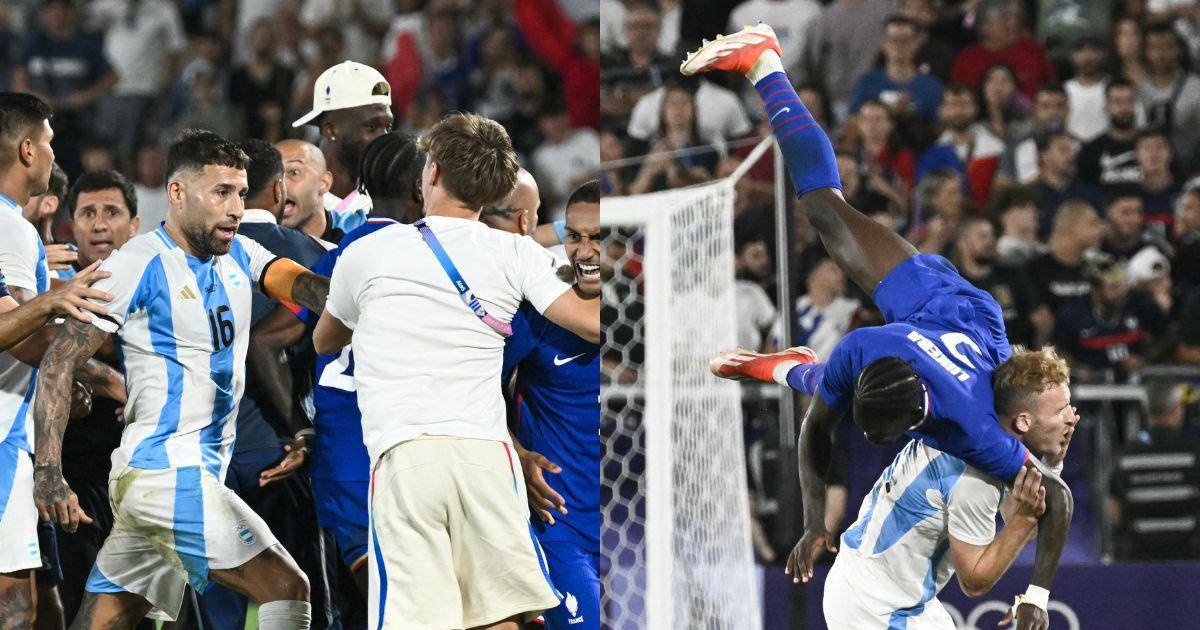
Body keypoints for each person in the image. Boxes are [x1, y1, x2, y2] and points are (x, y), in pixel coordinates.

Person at [683, 25, 1072, 630]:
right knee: (825, 208)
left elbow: (1060, 500)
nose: (885, 441)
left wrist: (1037, 596)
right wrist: (814, 521)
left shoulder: (973, 428)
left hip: (960, 310)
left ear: (920, 418)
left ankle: (788, 368)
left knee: (826, 372)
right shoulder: (864, 347)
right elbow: (818, 428)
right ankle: (764, 64)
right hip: (931, 313)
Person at [30, 130, 334, 628]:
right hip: (170, 477)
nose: (235, 208)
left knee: (102, 621)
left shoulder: (239, 253)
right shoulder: (138, 263)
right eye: (221, 192)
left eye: (240, 193)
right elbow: (59, 361)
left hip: (165, 478)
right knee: (287, 587)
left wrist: (362, 296)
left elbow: (301, 285)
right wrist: (48, 473)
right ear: (176, 193)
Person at [312, 113, 599, 629]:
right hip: (488, 460)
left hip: (408, 458)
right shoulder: (516, 253)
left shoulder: (369, 251)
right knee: (502, 616)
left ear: (433, 173)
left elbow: (324, 339)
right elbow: (591, 321)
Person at [249, 131, 427, 604]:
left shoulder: (339, 257)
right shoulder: (432, 255)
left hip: (344, 456)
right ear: (422, 188)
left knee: (364, 607)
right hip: (413, 452)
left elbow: (264, 340)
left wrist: (301, 428)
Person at [172, 139, 337, 630]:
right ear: (279, 189)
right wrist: (302, 429)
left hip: (205, 453)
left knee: (216, 607)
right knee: (299, 598)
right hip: (283, 449)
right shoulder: (317, 256)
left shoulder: (181, 256)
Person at [0, 92, 135, 629]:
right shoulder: (8, 226)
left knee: (40, 605)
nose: (56, 154)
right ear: (28, 150)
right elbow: (17, 335)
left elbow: (29, 339)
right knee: (16, 607)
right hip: (5, 436)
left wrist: (65, 376)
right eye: (51, 143)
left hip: (17, 431)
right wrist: (106, 378)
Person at [824, 347, 1077, 628]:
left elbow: (1018, 518)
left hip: (883, 591)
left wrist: (1051, 466)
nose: (1072, 417)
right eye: (1061, 410)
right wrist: (1025, 519)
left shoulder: (978, 433)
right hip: (874, 605)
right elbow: (974, 581)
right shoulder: (973, 476)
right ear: (1023, 421)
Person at [500, 180, 601, 630]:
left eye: (598, 237)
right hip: (559, 523)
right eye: (575, 236)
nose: (584, 251)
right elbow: (476, 389)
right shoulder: (538, 315)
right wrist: (516, 451)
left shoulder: (647, 317)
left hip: (632, 522)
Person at [54, 169, 147, 628]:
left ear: (134, 224)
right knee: (82, 599)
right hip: (80, 470)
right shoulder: (52, 290)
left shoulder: (159, 282)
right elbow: (45, 356)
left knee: (158, 605)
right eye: (87, 213)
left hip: (146, 469)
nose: (99, 224)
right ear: (72, 225)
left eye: (112, 212)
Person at [292, 61, 394, 224]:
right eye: (371, 127)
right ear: (330, 130)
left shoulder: (390, 199)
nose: (385, 139)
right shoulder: (293, 202)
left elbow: (428, 234)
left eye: (388, 127)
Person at [1110, 381, 1200, 560]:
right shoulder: (1192, 453)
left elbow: (1115, 508)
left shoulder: (1127, 456)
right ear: (1177, 410)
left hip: (1139, 557)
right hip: (1187, 557)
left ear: (1147, 410)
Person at [953, 217, 1051, 348]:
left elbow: (1043, 320)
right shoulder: (952, 284)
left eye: (992, 236)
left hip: (1017, 355)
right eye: (982, 236)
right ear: (962, 243)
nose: (990, 241)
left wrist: (1035, 354)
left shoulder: (1012, 275)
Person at [849, 16, 945, 124]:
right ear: (884, 43)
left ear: (916, 44)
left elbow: (939, 125)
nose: (899, 45)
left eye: (905, 40)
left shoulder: (932, 86)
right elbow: (853, 120)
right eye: (893, 39)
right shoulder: (868, 82)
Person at [1025, 199, 1104, 313]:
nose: (1101, 229)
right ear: (1069, 228)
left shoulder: (1098, 268)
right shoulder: (1034, 270)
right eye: (1092, 223)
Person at [1138, 22, 1200, 163]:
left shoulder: (1196, 88)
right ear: (1146, 51)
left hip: (1189, 165)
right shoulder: (1139, 90)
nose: (1160, 54)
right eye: (1154, 47)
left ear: (1179, 49)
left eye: (1167, 47)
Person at [1078, 79, 1142, 190]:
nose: (1124, 108)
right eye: (1117, 102)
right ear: (1107, 106)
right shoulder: (1091, 150)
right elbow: (1084, 192)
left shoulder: (1153, 146)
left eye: (1129, 101)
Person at [1064, 36, 1109, 143]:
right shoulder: (1065, 89)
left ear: (1102, 54)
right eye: (1082, 51)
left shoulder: (1114, 87)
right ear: (1073, 56)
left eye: (1093, 50)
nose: (1088, 56)